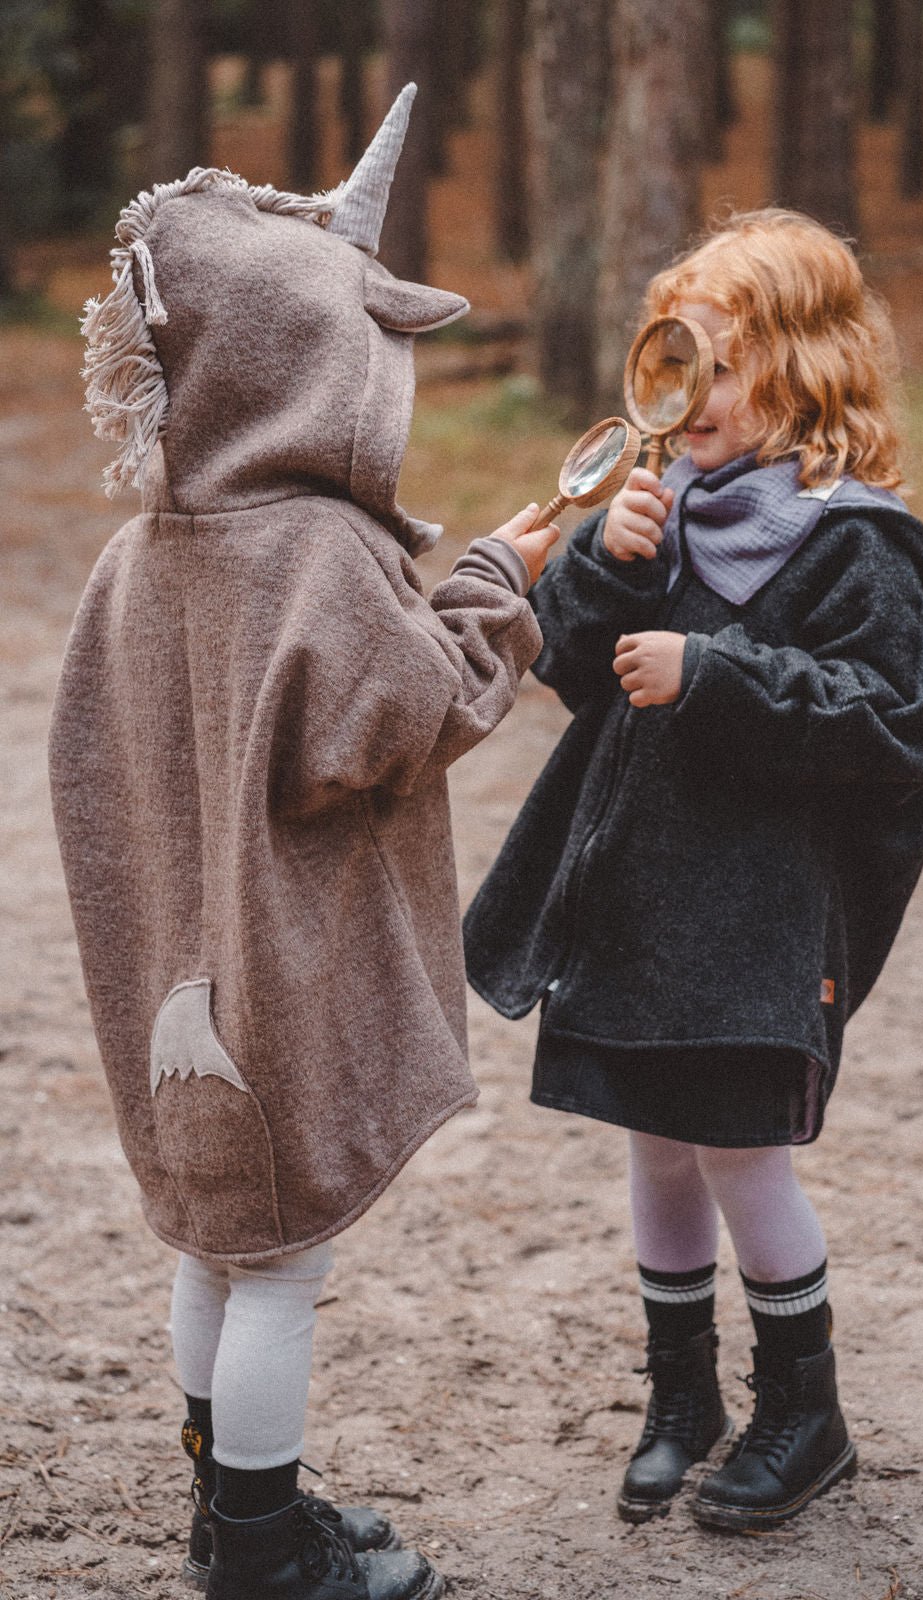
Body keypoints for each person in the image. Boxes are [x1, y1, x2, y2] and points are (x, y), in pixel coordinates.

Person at [48, 86, 558, 1600]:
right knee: (283, 1262)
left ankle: (234, 1512)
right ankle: (264, 1558)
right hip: (279, 966)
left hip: (176, 978)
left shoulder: (145, 553)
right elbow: (404, 717)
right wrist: (491, 582)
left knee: (216, 1240)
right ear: (317, 359)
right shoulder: (316, 549)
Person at [464, 208, 923, 1533]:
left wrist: (719, 674)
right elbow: (572, 674)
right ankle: (682, 1399)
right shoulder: (665, 510)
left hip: (760, 917)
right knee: (660, 1152)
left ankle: (807, 1409)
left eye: (718, 369)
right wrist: (608, 571)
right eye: (672, 364)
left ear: (806, 372)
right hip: (638, 895)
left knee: (742, 1157)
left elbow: (898, 726)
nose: (686, 401)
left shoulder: (855, 539)